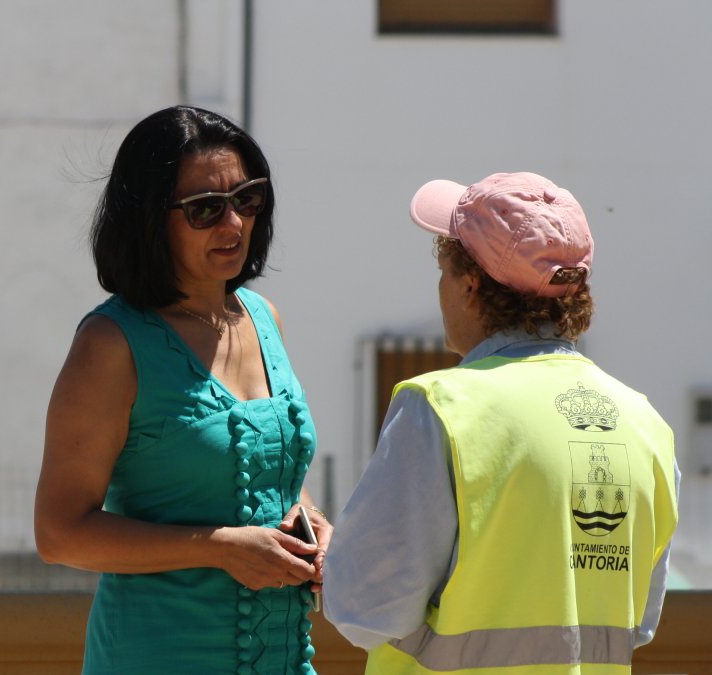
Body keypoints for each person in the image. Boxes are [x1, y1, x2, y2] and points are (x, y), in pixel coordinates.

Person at [322, 172, 680, 673]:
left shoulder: (441, 406)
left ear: (471, 286)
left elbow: (366, 610)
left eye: (446, 272)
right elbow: (637, 622)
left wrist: (337, 559)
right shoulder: (646, 424)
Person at [35, 105, 332, 674]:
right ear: (149, 220)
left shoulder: (264, 317)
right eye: (205, 210)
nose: (234, 224)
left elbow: (272, 478)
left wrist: (311, 522)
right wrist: (219, 548)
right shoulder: (111, 344)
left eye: (247, 198)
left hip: (285, 658)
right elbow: (58, 533)